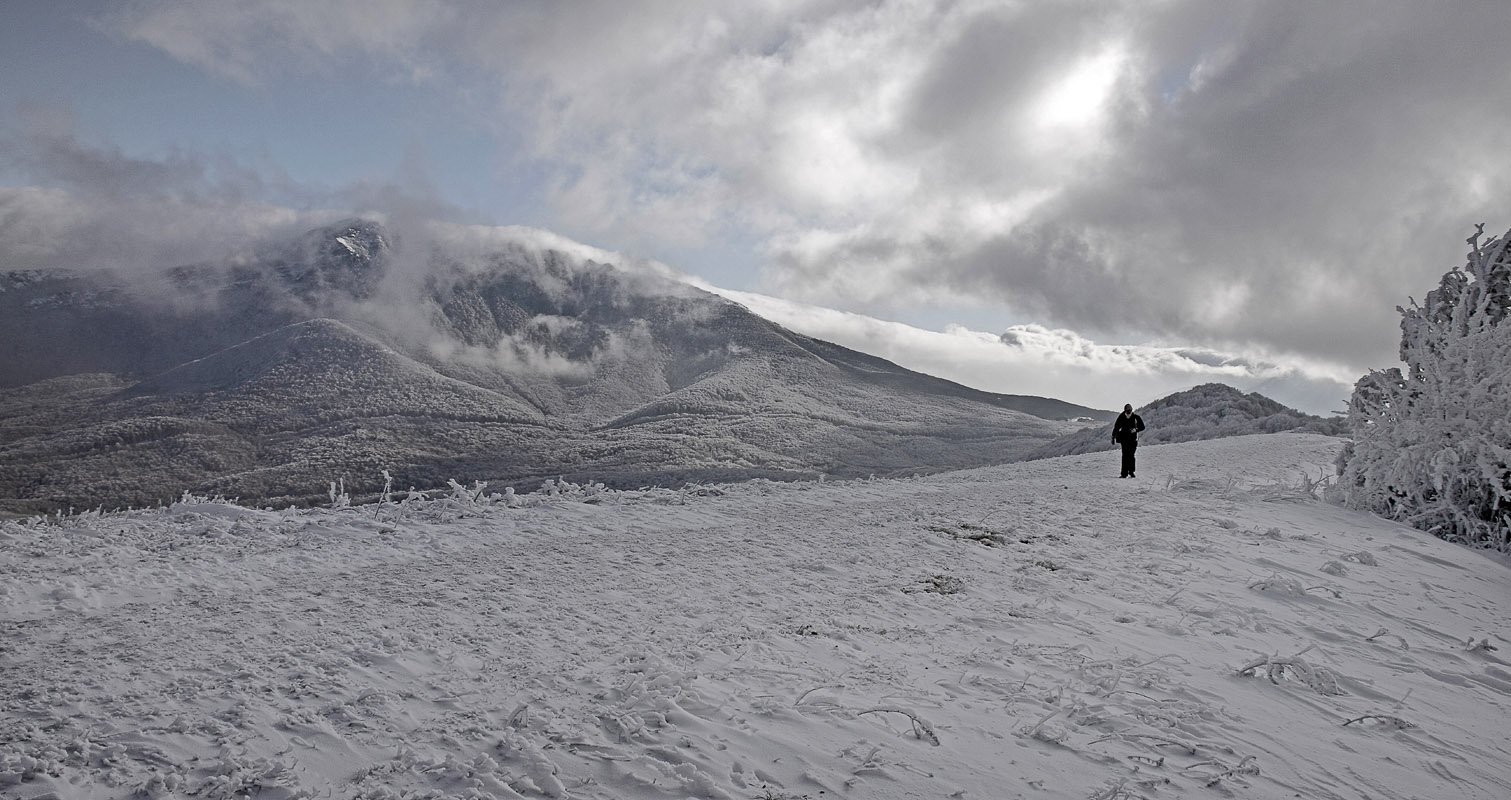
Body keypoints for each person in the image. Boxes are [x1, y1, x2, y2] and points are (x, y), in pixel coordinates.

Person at [1111, 404, 1145, 478]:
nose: (1128, 412)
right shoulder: (1122, 417)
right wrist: (1113, 436)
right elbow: (1116, 427)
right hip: (1124, 439)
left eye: (1129, 410)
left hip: (1133, 439)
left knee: (1131, 456)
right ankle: (1124, 473)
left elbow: (1142, 427)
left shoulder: (1136, 418)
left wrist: (1136, 429)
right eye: (1127, 410)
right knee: (1125, 456)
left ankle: (1131, 472)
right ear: (1125, 410)